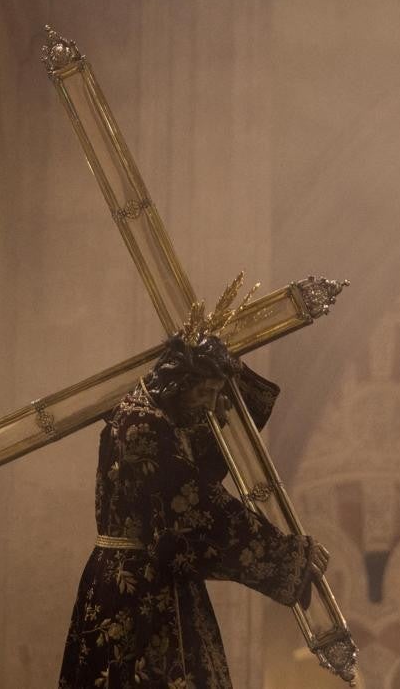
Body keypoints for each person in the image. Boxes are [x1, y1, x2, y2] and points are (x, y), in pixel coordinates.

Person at [58, 293, 330, 688]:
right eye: (204, 393)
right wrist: (287, 555)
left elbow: (202, 471)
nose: (210, 405)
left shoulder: (153, 414)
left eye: (216, 394)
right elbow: (196, 511)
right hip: (138, 592)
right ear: (179, 383)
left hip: (145, 578)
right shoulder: (143, 425)